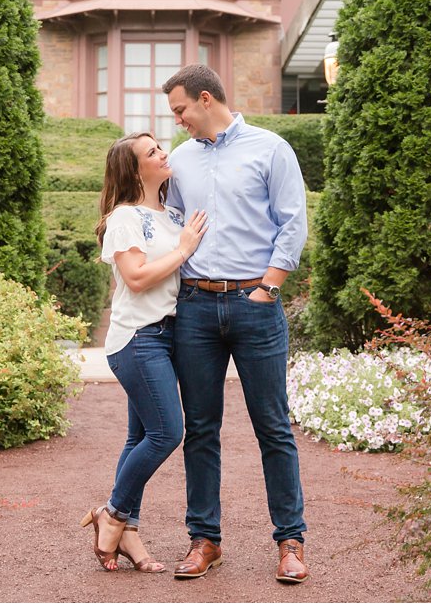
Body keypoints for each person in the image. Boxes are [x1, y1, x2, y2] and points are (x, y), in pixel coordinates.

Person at [161, 65, 310, 584]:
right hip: (197, 307)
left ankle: (290, 541)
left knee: (273, 426)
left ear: (206, 99)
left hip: (256, 303)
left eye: (180, 109)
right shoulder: (179, 160)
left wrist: (268, 287)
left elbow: (293, 221)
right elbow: (172, 226)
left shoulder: (271, 149)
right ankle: (205, 540)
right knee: (200, 429)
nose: (176, 120)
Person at [81, 132, 208, 573]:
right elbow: (135, 278)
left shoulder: (171, 213)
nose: (163, 153)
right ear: (135, 170)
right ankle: (112, 514)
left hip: (168, 337)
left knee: (139, 438)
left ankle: (128, 535)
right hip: (138, 338)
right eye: (151, 152)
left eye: (160, 147)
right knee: (167, 433)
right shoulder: (124, 218)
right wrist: (183, 249)